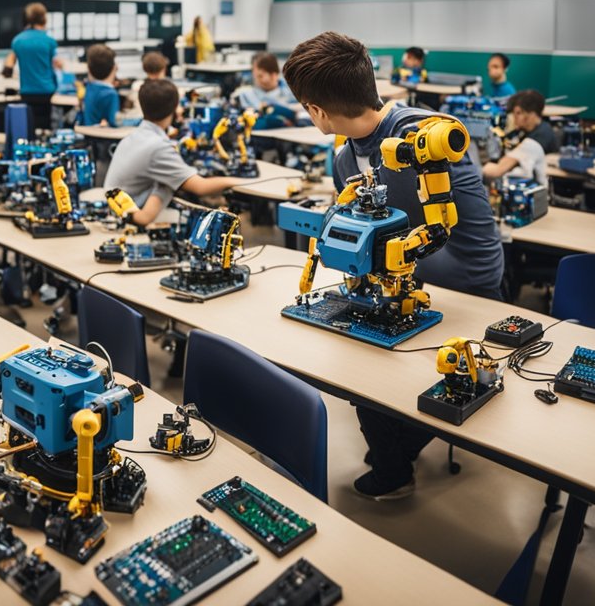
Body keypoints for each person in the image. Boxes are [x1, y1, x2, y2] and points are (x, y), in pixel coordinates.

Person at [282, 31, 504, 501]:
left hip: (466, 294)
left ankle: (395, 460)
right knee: (351, 351)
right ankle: (395, 442)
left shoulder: (426, 137)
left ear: (316, 109)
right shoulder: (345, 157)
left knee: (365, 371)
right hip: (400, 286)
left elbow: (466, 245)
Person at [103, 79, 245, 225]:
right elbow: (201, 187)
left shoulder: (135, 136)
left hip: (114, 205)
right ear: (174, 108)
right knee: (186, 199)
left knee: (169, 184)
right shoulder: (158, 148)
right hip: (130, 217)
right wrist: (239, 181)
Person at [3, 2, 63, 131]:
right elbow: (57, 64)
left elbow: (8, 67)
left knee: (29, 126)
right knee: (46, 128)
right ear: (44, 18)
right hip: (47, 91)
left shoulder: (17, 40)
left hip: (27, 92)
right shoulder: (49, 41)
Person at [482, 90, 555, 185]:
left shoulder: (538, 138)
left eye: (518, 113)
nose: (514, 117)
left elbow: (497, 170)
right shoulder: (530, 130)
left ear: (532, 114)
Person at [236, 51, 299, 128]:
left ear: (274, 74)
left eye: (260, 76)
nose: (256, 80)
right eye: (255, 76)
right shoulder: (247, 95)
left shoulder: (293, 90)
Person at [80, 44, 119, 127]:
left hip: (88, 134)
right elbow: (114, 123)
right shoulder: (110, 94)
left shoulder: (89, 87)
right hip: (102, 137)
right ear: (114, 67)